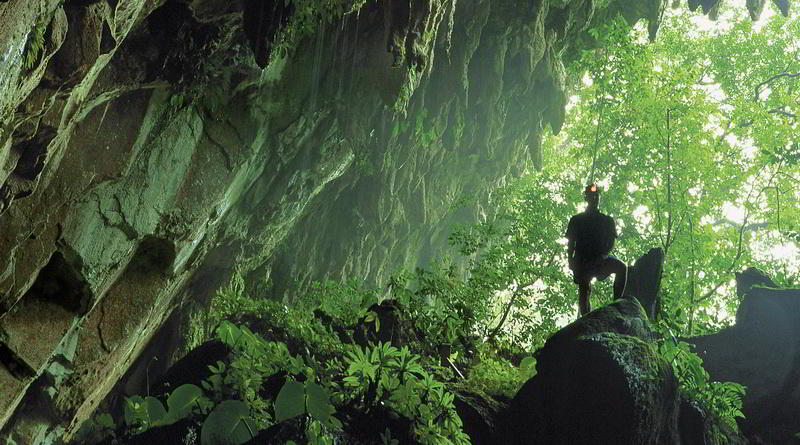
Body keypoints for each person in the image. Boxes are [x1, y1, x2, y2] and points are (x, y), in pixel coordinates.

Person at [566, 184, 627, 317]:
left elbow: (611, 242)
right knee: (584, 289)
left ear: (599, 198)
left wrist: (604, 255)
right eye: (591, 196)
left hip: (600, 260)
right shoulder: (576, 220)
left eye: (596, 196)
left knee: (621, 268)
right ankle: (586, 318)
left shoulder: (607, 221)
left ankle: (616, 305)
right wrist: (570, 261)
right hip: (582, 262)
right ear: (586, 198)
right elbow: (571, 243)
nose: (594, 198)